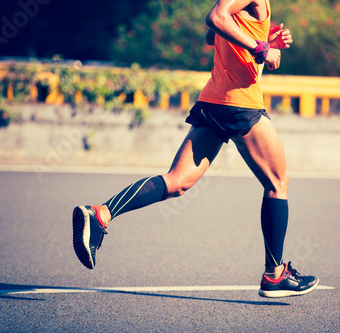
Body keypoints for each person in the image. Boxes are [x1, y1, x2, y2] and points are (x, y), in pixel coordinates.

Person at [72, 0, 319, 298]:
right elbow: (215, 18)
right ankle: (274, 275)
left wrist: (264, 41)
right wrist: (263, 49)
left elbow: (213, 36)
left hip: (214, 102)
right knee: (277, 183)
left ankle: (101, 214)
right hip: (241, 104)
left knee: (177, 182)